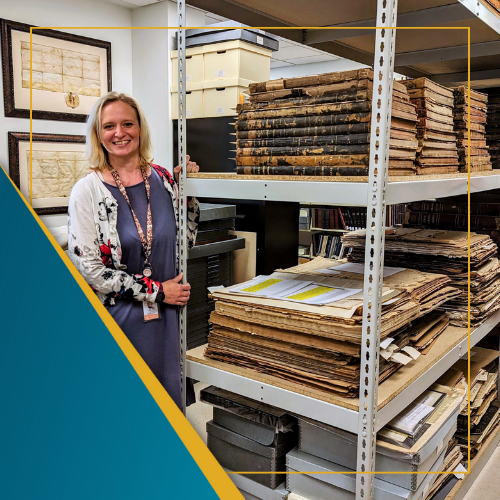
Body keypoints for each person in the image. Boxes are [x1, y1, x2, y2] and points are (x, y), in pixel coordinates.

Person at [68, 91, 200, 410]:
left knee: (170, 413)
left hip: (168, 318)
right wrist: (156, 291)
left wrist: (191, 192)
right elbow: (91, 271)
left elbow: (185, 243)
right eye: (109, 126)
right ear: (98, 135)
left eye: (128, 123)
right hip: (121, 320)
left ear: (140, 128)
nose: (119, 133)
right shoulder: (87, 191)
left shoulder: (165, 180)